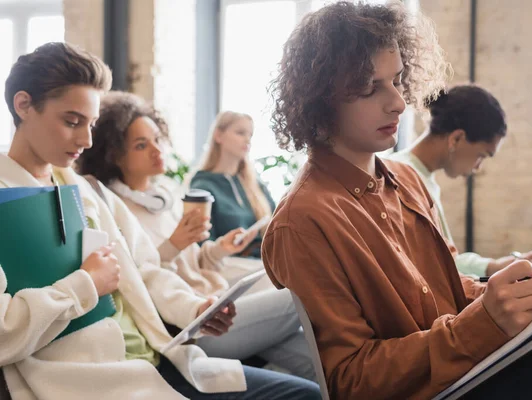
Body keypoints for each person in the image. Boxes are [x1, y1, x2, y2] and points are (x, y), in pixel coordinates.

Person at [261, 2, 532, 399]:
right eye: (372, 88)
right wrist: (481, 323)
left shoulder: (404, 179)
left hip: (468, 367)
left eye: (398, 81)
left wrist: (505, 293)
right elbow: (350, 382)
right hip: (438, 389)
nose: (399, 103)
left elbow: (445, 288)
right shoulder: (304, 221)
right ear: (320, 99)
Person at [0, 42, 320, 400]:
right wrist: (86, 283)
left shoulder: (88, 191)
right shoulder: (5, 200)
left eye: (90, 124)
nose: (86, 140)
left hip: (159, 359)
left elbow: (146, 269)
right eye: (72, 122)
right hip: (95, 377)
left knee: (304, 391)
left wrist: (194, 308)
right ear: (24, 105)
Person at [76, 90, 316, 381]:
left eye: (156, 139)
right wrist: (174, 245)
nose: (157, 149)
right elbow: (139, 281)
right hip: (191, 324)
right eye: (141, 145)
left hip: (211, 301)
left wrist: (217, 250)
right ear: (113, 155)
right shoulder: (114, 210)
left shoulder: (163, 198)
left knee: (315, 360)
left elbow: (194, 264)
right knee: (304, 290)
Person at [389, 84, 532, 277]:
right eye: (481, 155)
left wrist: (492, 266)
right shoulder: (403, 177)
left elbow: (443, 259)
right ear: (457, 138)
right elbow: (429, 272)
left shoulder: (421, 177)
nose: (478, 167)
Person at [188, 112, 275, 258]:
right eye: (240, 133)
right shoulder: (202, 188)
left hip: (264, 265)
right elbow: (202, 246)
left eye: (250, 135)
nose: (247, 139)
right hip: (229, 268)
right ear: (218, 136)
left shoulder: (255, 185)